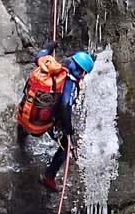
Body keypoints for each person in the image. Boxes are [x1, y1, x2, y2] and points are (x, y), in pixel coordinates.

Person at [16, 46, 94, 190]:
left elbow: (40, 56)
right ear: (81, 71)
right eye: (84, 73)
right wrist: (69, 130)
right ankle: (49, 177)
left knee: (29, 113)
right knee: (67, 146)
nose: (83, 76)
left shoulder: (52, 68)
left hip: (25, 115)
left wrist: (51, 46)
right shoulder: (69, 82)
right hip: (45, 123)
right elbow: (65, 105)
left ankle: (21, 137)